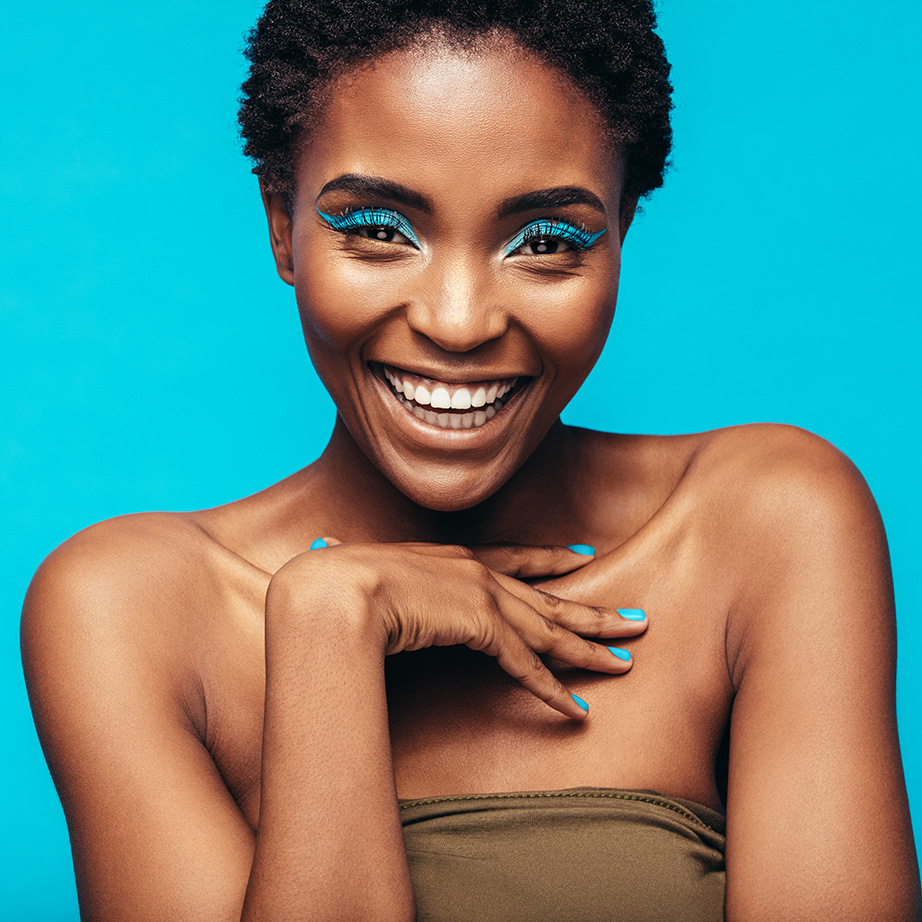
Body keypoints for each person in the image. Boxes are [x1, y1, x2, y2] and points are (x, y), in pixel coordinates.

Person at [20, 0, 920, 919]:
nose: (458, 323)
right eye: (377, 227)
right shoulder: (131, 609)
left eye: (547, 242)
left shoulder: (765, 524)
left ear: (622, 234)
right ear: (283, 229)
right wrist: (331, 621)